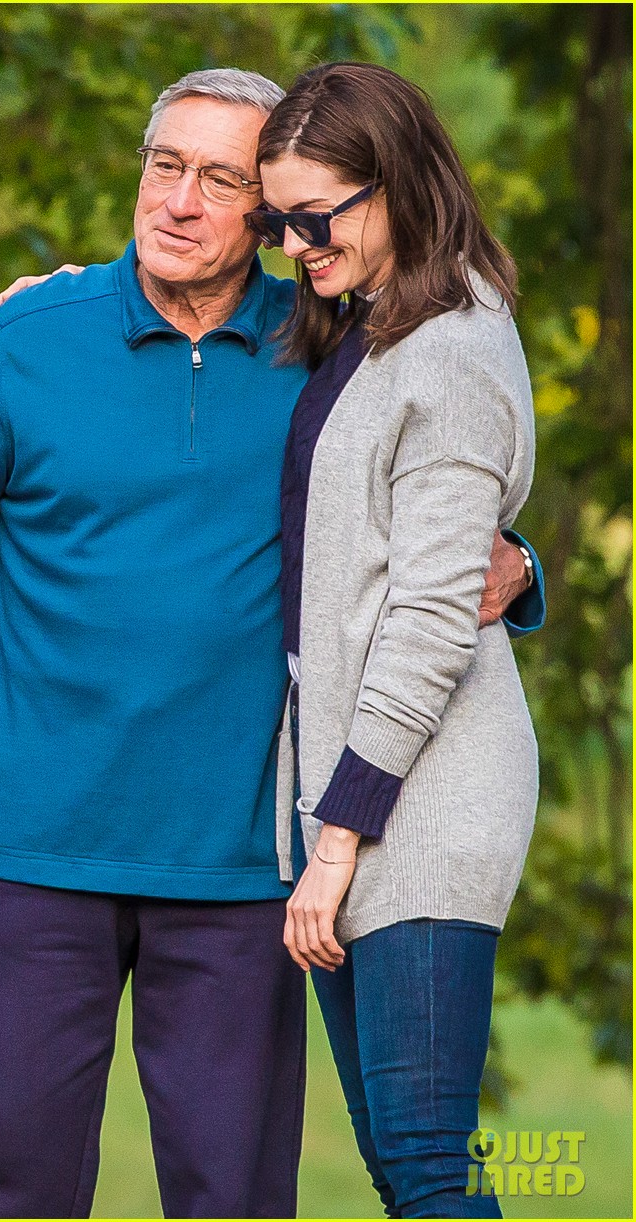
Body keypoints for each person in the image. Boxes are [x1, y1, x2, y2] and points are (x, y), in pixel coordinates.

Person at [0, 68, 542, 1219]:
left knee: (233, 1198)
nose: (178, 200)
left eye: (221, 180)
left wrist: (516, 563)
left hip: (242, 864)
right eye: (163, 166)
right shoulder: (28, 338)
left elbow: (433, 475)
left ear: (270, 213)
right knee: (13, 1189)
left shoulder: (335, 352)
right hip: (36, 852)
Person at [248, 61, 542, 1218]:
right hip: (358, 800)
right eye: (277, 222)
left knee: (426, 1165)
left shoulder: (453, 349)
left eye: (314, 219)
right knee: (401, 1169)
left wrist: (335, 838)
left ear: (397, 187)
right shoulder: (368, 324)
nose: (293, 246)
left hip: (420, 801)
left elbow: (427, 623)